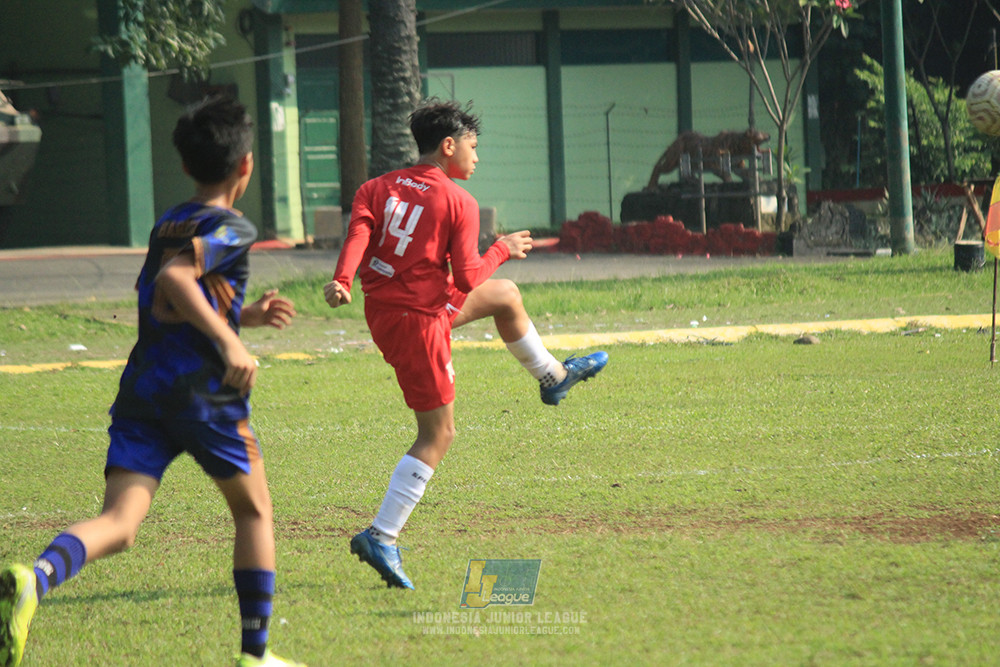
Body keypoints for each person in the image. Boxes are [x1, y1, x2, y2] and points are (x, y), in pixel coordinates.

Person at [0, 97, 304, 667]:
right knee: (254, 513)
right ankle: (255, 656)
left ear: (187, 167)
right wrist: (231, 341)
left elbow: (165, 297)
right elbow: (176, 277)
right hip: (202, 395)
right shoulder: (233, 226)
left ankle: (34, 579)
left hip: (144, 390)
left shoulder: (170, 220)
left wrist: (248, 317)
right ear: (247, 165)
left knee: (119, 523)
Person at [323, 99, 608, 590]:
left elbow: (359, 232)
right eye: (473, 148)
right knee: (438, 434)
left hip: (389, 308)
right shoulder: (458, 201)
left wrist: (343, 279)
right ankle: (381, 534)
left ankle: (553, 378)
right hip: (418, 321)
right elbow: (469, 272)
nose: (477, 159)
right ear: (448, 145)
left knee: (504, 296)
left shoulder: (377, 186)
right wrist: (503, 247)